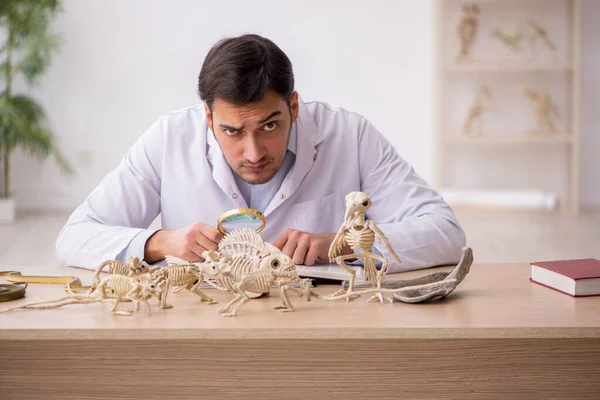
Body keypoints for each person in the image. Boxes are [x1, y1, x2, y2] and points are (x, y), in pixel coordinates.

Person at [55, 33, 466, 273]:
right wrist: (158, 242)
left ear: (293, 107)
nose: (252, 152)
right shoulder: (168, 138)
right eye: (231, 131)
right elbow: (75, 237)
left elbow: (445, 233)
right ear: (207, 117)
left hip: (324, 332)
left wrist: (339, 245)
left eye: (269, 126)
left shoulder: (349, 134)